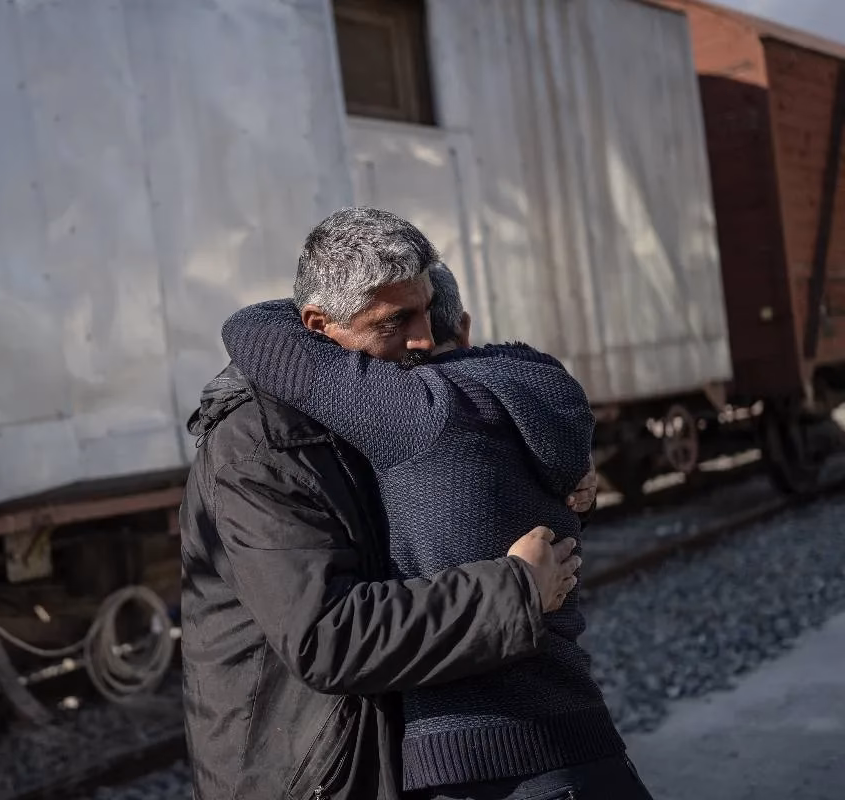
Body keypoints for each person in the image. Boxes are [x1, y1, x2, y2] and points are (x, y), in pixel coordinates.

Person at [220, 207, 652, 800]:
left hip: (477, 760)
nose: (418, 340)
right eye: (397, 320)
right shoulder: (547, 385)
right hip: (583, 735)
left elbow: (252, 331)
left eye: (421, 315)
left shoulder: (414, 412)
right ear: (467, 328)